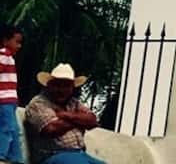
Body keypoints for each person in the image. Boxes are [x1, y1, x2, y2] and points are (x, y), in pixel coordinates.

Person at [22, 64, 103, 164]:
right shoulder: (38, 103)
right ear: (49, 85)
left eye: (66, 86)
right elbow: (51, 129)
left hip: (80, 154)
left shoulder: (73, 102)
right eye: (58, 85)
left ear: (72, 88)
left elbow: (92, 120)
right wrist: (80, 120)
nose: (62, 90)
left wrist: (67, 115)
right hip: (52, 155)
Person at [0, 27, 23, 164]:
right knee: (8, 127)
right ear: (5, 41)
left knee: (14, 129)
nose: (19, 46)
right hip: (4, 99)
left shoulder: (9, 57)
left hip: (10, 100)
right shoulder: (4, 54)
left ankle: (16, 157)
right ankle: (1, 153)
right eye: (17, 42)